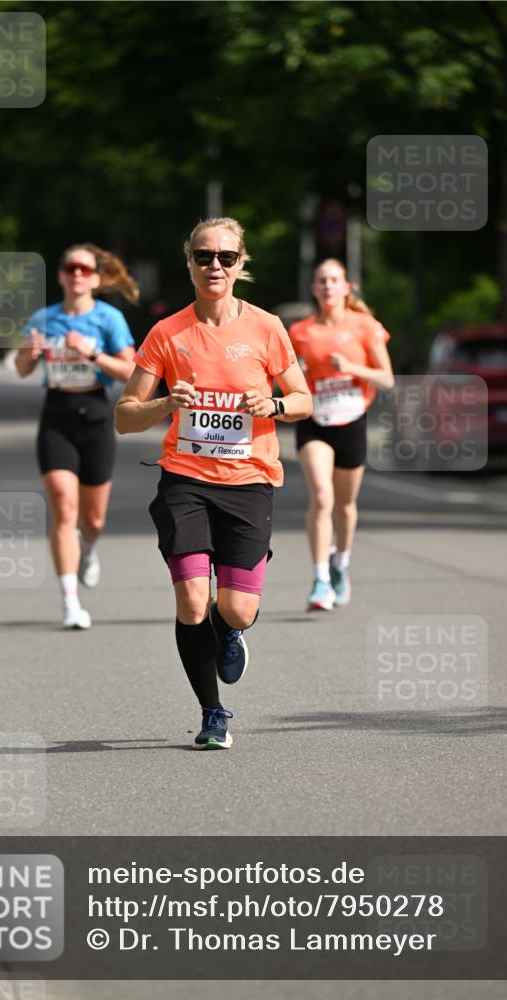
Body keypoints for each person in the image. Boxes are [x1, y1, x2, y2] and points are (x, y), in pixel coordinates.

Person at [116, 217, 312, 749]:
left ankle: (231, 632)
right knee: (190, 601)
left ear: (241, 263)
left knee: (236, 609)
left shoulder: (267, 327)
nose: (215, 266)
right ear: (190, 262)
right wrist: (165, 402)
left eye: (226, 257)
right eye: (204, 256)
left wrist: (271, 403)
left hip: (249, 481)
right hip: (185, 479)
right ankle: (213, 714)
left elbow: (303, 399)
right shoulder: (167, 333)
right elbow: (125, 416)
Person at [15, 243, 137, 629]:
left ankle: (89, 548)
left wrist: (92, 354)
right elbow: (21, 369)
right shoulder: (44, 318)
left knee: (93, 519)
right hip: (57, 416)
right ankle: (70, 601)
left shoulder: (109, 318)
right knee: (64, 508)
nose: (78, 274)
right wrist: (30, 354)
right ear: (61, 275)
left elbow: (130, 372)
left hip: (97, 416)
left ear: (96, 278)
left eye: (85, 269)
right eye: (71, 268)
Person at [289, 258, 394, 611]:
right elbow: (285, 380)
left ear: (346, 287)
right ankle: (319, 580)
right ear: (314, 288)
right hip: (314, 421)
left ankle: (340, 564)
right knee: (322, 497)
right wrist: (295, 377)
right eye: (322, 280)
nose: (328, 286)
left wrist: (351, 368)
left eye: (335, 280)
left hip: (352, 420)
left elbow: (387, 378)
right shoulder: (301, 331)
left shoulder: (364, 326)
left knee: (345, 506)